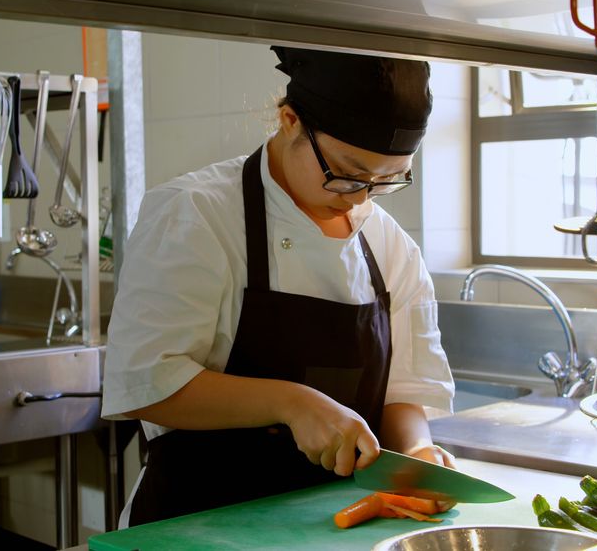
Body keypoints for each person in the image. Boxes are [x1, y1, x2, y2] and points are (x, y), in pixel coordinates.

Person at [102, 45, 455, 527]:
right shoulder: (197, 214)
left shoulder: (389, 245)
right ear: (290, 120)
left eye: (386, 180)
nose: (360, 197)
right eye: (347, 174)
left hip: (325, 526)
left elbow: (404, 390)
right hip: (196, 524)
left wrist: (418, 454)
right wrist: (291, 403)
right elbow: (145, 383)